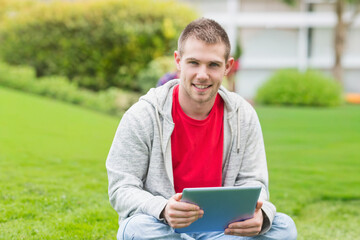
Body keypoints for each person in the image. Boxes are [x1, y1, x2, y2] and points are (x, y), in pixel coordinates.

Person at [106, 18, 297, 240]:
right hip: (163, 226)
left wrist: (261, 215)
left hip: (222, 229)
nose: (202, 74)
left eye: (213, 65)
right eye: (194, 63)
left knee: (283, 227)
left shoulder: (243, 115)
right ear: (178, 61)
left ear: (228, 66)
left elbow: (254, 182)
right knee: (137, 229)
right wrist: (163, 208)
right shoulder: (143, 115)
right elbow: (122, 188)